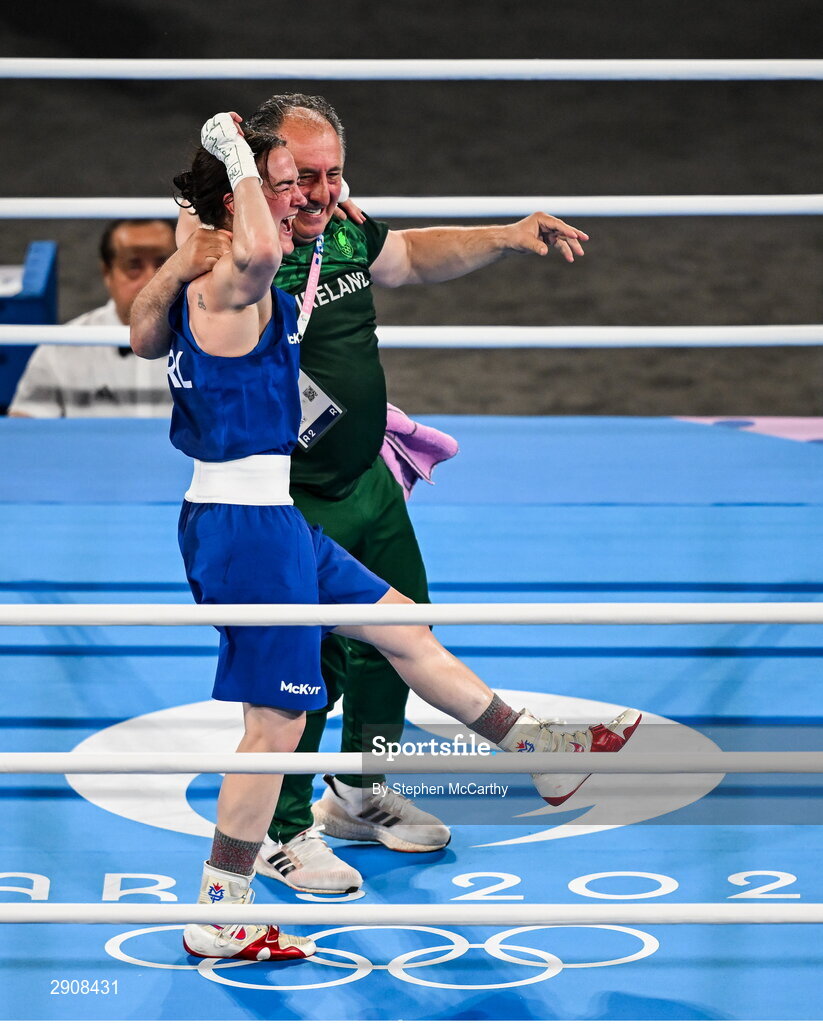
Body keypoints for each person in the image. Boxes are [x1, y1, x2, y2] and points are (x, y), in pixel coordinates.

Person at [130, 111, 640, 963]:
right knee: (276, 729)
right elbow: (247, 251)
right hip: (247, 524)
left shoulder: (213, 268)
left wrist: (236, 212)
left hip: (264, 515)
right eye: (287, 182)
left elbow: (146, 332)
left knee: (401, 627)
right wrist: (231, 156)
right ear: (243, 199)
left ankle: (537, 754)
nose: (306, 196)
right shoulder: (232, 274)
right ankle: (222, 909)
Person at [8, 219, 177, 417]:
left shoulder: (208, 341)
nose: (151, 279)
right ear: (107, 273)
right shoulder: (61, 348)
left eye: (163, 266)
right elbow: (25, 431)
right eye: (134, 266)